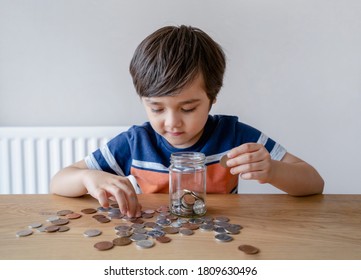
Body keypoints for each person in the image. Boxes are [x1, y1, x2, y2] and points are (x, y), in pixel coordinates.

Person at [50, 25, 324, 217]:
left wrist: (273, 170)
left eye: (188, 108)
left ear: (212, 98)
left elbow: (314, 182)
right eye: (156, 108)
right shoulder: (136, 142)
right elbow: (58, 182)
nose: (172, 123)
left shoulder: (234, 136)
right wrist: (88, 177)